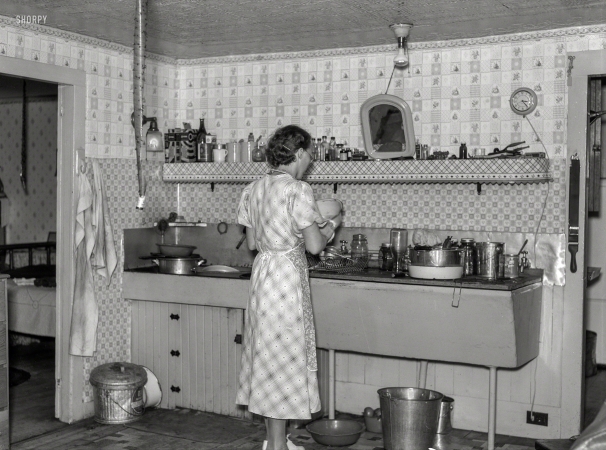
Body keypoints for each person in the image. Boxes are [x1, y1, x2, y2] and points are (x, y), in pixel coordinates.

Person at [235, 125, 340, 450]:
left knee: (268, 359)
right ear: (297, 153)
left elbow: (252, 242)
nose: (311, 159)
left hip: (263, 276)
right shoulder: (298, 190)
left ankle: (275, 442)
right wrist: (331, 226)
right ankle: (279, 446)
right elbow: (313, 247)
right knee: (285, 360)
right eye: (309, 152)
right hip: (286, 280)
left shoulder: (253, 189)